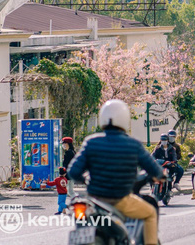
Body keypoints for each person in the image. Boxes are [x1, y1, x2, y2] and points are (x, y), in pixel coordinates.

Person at [68, 99, 163, 245]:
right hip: (121, 201)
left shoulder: (91, 142)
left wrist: (85, 180)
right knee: (150, 213)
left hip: (94, 201)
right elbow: (154, 169)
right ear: (125, 119)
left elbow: (73, 172)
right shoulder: (133, 144)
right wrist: (161, 176)